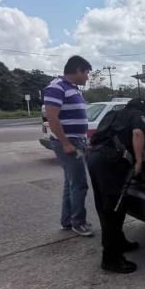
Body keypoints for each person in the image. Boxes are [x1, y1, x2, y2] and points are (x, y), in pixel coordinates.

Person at [87, 97, 145, 274]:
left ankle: (119, 242)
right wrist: (138, 161)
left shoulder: (113, 114)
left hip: (94, 158)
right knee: (113, 208)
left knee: (105, 205)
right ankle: (111, 258)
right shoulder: (138, 115)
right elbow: (138, 134)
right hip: (110, 161)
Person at [43, 55, 94, 237]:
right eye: (87, 73)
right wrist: (65, 143)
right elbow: (52, 118)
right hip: (69, 141)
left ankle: (67, 220)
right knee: (79, 185)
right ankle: (78, 223)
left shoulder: (73, 89)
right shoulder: (56, 87)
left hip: (77, 140)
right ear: (79, 70)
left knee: (70, 184)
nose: (87, 77)